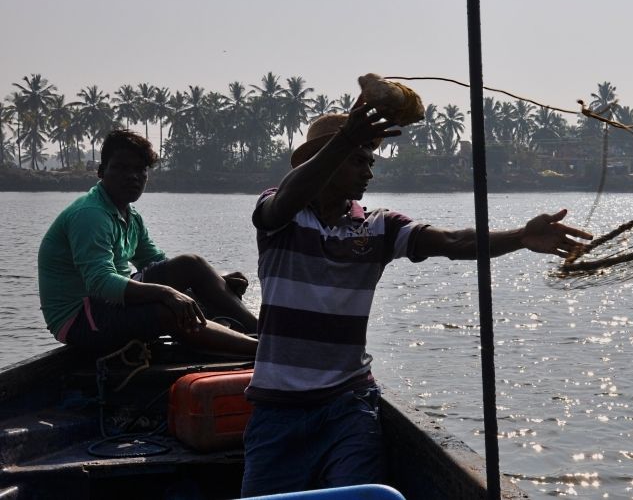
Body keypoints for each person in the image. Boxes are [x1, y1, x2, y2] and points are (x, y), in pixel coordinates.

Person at [241, 102, 592, 496]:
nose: (369, 172)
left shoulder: (378, 227)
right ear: (327, 159)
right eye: (359, 160)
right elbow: (286, 199)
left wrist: (519, 238)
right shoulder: (280, 214)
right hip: (277, 410)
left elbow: (453, 242)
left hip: (348, 405)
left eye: (369, 161)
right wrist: (344, 140)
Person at [37, 130, 258, 357]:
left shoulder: (129, 215)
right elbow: (99, 282)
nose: (133, 176)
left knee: (192, 264)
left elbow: (157, 262)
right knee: (167, 311)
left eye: (140, 170)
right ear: (102, 172)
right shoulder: (90, 214)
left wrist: (216, 280)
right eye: (122, 168)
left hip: (107, 303)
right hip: (80, 320)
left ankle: (262, 332)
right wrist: (166, 294)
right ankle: (259, 349)